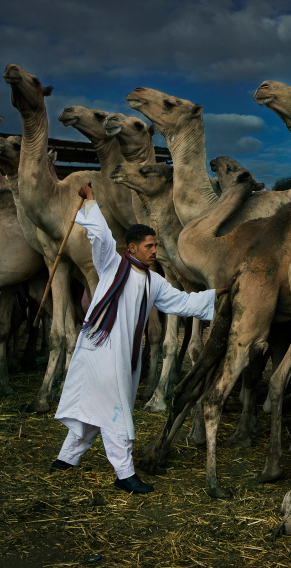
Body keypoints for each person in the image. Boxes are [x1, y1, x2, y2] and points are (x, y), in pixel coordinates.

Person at [50, 183, 230, 494]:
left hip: (124, 356)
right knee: (115, 409)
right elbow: (102, 236)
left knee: (98, 407)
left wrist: (217, 294)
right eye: (149, 246)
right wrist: (91, 201)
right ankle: (124, 474)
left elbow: (184, 304)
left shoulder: (154, 282)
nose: (155, 251)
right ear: (132, 247)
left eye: (156, 246)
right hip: (100, 351)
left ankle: (65, 460)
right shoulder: (111, 265)